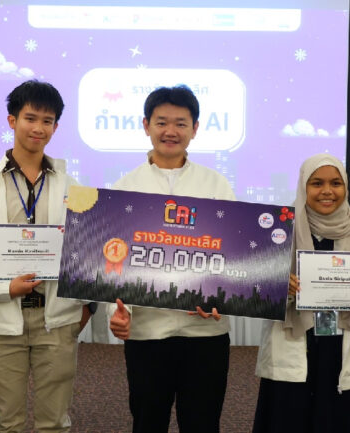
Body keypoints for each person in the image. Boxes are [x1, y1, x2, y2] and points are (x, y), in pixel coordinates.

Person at [0, 80, 91, 433]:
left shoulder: (74, 188)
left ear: (55, 127)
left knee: (54, 423)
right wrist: (3, 287)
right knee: (6, 422)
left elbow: (87, 253)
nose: (38, 128)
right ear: (12, 120)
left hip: (55, 319)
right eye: (30, 118)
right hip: (0, 316)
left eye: (47, 121)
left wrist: (86, 308)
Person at [108, 85, 235, 433]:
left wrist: (223, 297)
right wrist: (115, 312)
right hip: (147, 332)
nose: (170, 131)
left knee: (203, 423)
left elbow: (233, 256)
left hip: (206, 333)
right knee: (148, 421)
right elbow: (112, 261)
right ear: (146, 125)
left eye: (181, 123)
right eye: (162, 122)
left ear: (195, 129)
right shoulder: (124, 189)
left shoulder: (217, 185)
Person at [253, 154, 350, 433]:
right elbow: (254, 295)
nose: (327, 191)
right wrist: (279, 288)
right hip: (295, 349)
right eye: (316, 183)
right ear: (303, 186)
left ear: (345, 187)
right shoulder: (280, 232)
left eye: (336, 183)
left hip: (341, 350)